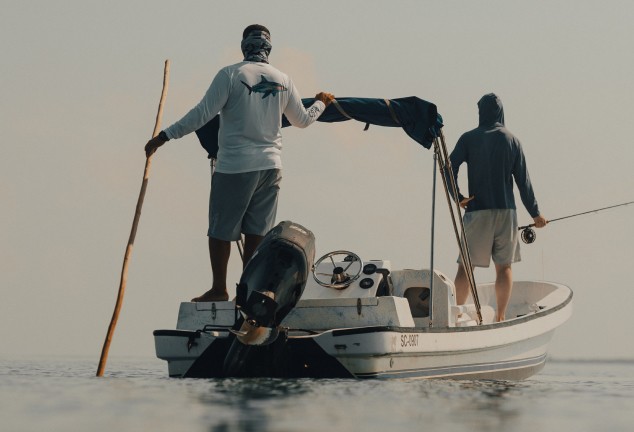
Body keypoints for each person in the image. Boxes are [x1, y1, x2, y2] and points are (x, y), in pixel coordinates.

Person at [145, 24, 334, 302]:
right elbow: (303, 120)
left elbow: (202, 114)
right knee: (257, 230)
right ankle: (247, 292)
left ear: (244, 46)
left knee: (221, 229)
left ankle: (219, 289)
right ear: (269, 48)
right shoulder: (283, 79)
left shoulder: (231, 74)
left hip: (235, 165)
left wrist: (164, 136)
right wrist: (321, 104)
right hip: (271, 166)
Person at [449, 93, 547, 322]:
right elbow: (524, 182)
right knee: (504, 269)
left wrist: (458, 197)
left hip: (476, 211)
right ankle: (501, 317)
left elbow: (448, 167)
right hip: (506, 213)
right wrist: (536, 214)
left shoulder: (468, 138)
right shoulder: (512, 140)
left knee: (466, 268)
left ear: (480, 112)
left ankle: (455, 316)